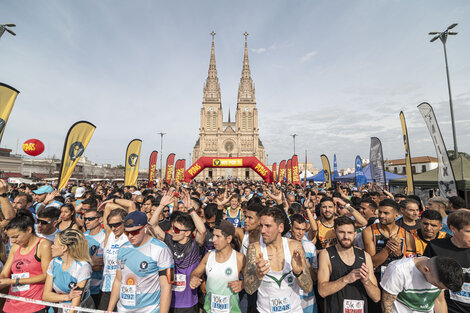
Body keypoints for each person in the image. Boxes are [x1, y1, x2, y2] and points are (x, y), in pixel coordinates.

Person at [244, 207, 313, 313]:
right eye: (261, 226)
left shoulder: (294, 247)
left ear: (280, 228)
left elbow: (308, 288)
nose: (262, 230)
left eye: (268, 226)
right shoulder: (255, 249)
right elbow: (249, 289)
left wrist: (299, 273)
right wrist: (258, 275)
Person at [150, 189, 206, 313]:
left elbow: (202, 231)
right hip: (168, 301)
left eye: (176, 230)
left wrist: (190, 209)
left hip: (189, 304)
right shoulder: (170, 241)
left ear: (187, 233)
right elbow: (153, 225)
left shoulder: (195, 246)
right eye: (172, 227)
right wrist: (161, 205)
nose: (172, 231)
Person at [107, 211, 174, 313]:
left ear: (145, 227)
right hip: (123, 309)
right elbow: (118, 280)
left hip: (149, 310)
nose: (130, 236)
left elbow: (166, 287)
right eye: (127, 232)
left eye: (134, 232)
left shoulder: (161, 249)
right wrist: (110, 309)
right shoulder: (123, 248)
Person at [317, 216, 380, 313]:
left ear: (355, 234)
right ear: (334, 233)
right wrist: (346, 279)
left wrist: (366, 281)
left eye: (349, 233)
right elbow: (322, 291)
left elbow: (376, 297)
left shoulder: (365, 256)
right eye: (341, 232)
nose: (346, 236)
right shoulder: (326, 254)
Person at [0, 210, 52, 313]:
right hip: (13, 302)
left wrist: (14, 281)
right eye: (11, 238)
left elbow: (47, 275)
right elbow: (5, 273)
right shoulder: (15, 247)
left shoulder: (43, 245)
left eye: (15, 237)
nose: (13, 241)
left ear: (28, 230)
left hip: (35, 303)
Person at [189, 220, 245, 313]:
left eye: (218, 236)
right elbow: (196, 273)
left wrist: (243, 284)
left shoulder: (239, 258)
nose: (213, 240)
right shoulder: (208, 256)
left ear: (228, 239)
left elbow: (252, 280)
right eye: (213, 235)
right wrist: (193, 278)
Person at [424, 210, 470, 313]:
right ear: (453, 229)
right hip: (446, 307)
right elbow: (424, 277)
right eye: (468, 231)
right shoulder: (435, 246)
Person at [381, 256, 463, 313]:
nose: (438, 288)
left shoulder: (442, 271)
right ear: (426, 270)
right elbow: (387, 305)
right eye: (436, 285)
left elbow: (439, 301)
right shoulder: (399, 270)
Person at [362, 199, 416, 281]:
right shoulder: (369, 232)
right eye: (380, 212)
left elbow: (410, 265)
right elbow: (372, 263)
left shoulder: (407, 236)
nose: (381, 216)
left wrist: (399, 255)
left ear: (396, 215)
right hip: (376, 277)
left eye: (386, 213)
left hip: (399, 278)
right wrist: (388, 248)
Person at [43, 229, 94, 311]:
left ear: (64, 248)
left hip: (81, 308)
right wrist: (67, 297)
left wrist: (61, 298)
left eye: (54, 244)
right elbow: (46, 295)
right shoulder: (54, 263)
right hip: (63, 306)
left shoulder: (83, 266)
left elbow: (75, 305)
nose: (51, 246)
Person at [98, 208, 128, 311]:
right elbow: (107, 207)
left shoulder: (128, 236)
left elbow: (131, 205)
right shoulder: (110, 235)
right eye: (111, 225)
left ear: (125, 222)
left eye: (117, 225)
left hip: (122, 288)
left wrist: (113, 199)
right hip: (106, 288)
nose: (113, 228)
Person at [289, 214, 318, 313]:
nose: (300, 233)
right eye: (297, 229)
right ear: (290, 228)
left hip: (307, 297)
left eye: (303, 230)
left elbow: (315, 278)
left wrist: (306, 264)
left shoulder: (310, 247)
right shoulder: (283, 246)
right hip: (289, 296)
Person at [83, 208, 105, 306]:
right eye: (85, 219)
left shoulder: (106, 236)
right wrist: (90, 262)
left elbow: (98, 266)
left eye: (90, 219)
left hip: (101, 287)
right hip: (85, 287)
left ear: (100, 219)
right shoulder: (82, 236)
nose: (87, 221)